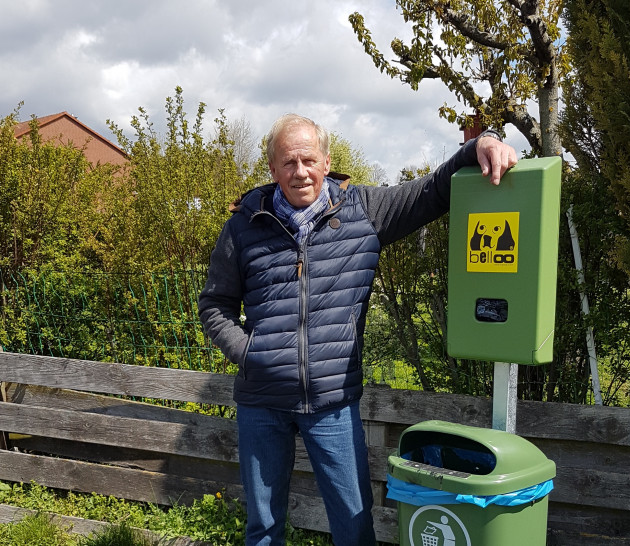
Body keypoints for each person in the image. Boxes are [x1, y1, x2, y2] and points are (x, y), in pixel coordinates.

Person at [198, 114, 517, 546]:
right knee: (264, 529)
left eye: (308, 159)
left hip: (333, 404)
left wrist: (480, 144)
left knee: (353, 525)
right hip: (261, 403)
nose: (299, 172)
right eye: (287, 162)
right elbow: (215, 305)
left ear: (327, 162)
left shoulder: (363, 210)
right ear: (272, 170)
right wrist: (249, 353)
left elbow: (430, 191)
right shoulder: (243, 225)